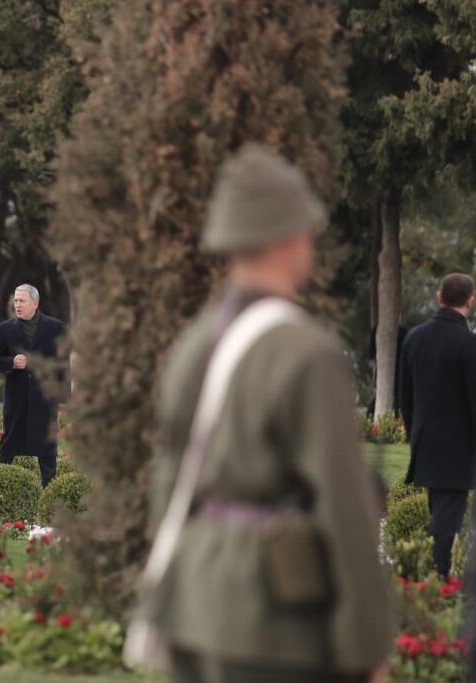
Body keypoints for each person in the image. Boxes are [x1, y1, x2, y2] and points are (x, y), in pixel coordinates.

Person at [138, 144, 391, 682]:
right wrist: (366, 646)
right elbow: (344, 507)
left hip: (194, 601)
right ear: (284, 238)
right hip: (275, 620)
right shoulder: (306, 351)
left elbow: (168, 477)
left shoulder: (195, 342)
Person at [398, 273, 476, 578]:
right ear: (470, 301)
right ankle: (435, 575)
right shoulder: (469, 344)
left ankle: (431, 571)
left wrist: (413, 431)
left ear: (439, 298)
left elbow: (405, 396)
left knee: (439, 509)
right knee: (447, 517)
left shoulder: (413, 338)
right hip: (459, 446)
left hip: (424, 438)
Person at [0, 284, 68, 487]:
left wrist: (63, 397)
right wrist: (11, 362)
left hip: (45, 398)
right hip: (17, 398)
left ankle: (49, 493)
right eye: (15, 301)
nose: (17, 305)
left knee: (47, 449)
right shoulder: (5, 329)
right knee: (7, 446)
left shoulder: (55, 327)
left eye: (21, 301)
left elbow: (63, 364)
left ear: (35, 303)